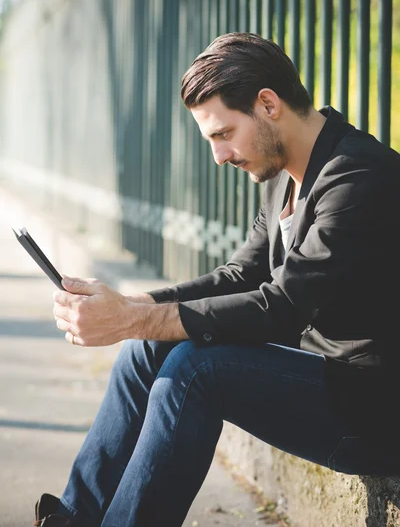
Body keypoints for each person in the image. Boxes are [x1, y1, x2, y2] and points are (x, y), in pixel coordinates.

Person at [34, 33, 400, 527]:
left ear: (267, 104)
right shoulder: (284, 178)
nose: (220, 155)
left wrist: (132, 317)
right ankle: (75, 518)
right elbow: (239, 276)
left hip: (373, 410)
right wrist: (131, 306)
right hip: (319, 379)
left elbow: (283, 305)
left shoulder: (358, 174)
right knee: (145, 345)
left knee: (196, 369)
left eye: (223, 133)